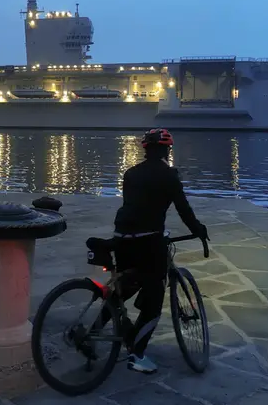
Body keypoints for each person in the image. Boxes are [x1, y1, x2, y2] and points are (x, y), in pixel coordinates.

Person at [94, 128, 208, 374]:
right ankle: (136, 353)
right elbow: (183, 209)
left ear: (146, 149)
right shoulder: (169, 176)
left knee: (125, 287)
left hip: (121, 238)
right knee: (154, 302)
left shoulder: (130, 173)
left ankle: (93, 331)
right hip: (148, 241)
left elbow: (133, 207)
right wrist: (198, 230)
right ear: (167, 150)